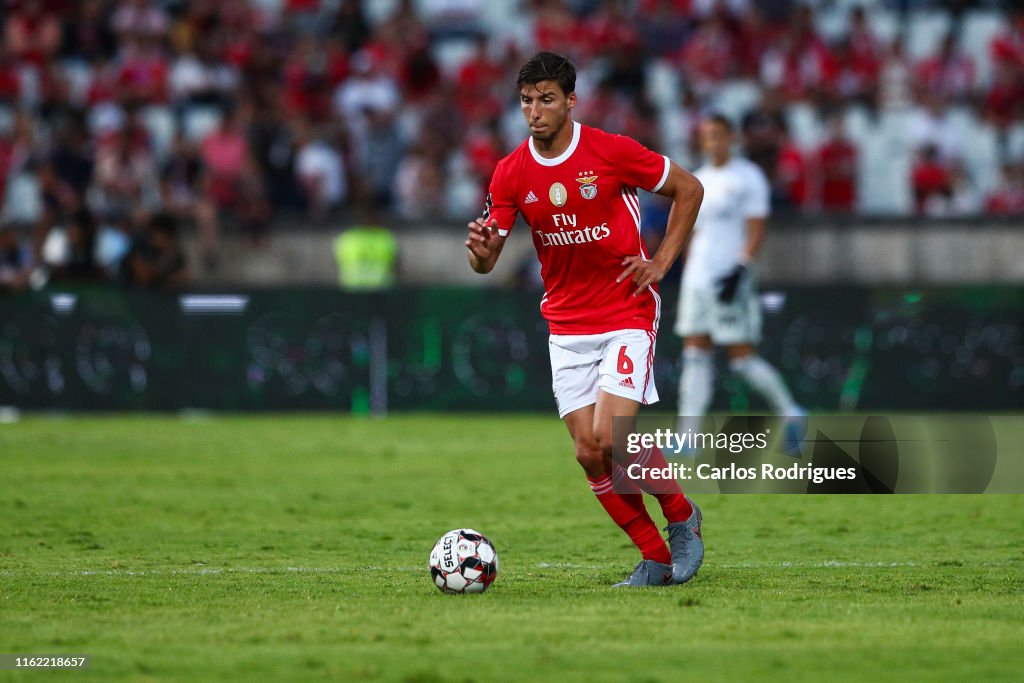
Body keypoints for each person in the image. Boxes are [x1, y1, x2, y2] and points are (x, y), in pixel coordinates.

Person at [465, 52, 705, 588]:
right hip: (567, 326)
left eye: (546, 99)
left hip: (626, 309)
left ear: (571, 100)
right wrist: (479, 250)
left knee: (613, 436)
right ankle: (654, 558)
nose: (535, 111)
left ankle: (683, 516)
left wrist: (662, 262)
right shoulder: (510, 173)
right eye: (527, 100)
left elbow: (690, 188)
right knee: (588, 452)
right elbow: (486, 261)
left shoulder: (610, 151)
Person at [674, 114, 804, 448]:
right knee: (694, 355)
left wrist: (740, 268)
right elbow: (693, 232)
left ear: (731, 137)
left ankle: (791, 412)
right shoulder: (697, 179)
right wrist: (689, 269)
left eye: (718, 134)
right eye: (706, 135)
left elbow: (756, 227)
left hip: (729, 277)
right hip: (698, 280)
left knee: (742, 359)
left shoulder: (748, 177)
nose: (712, 141)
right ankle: (688, 437)